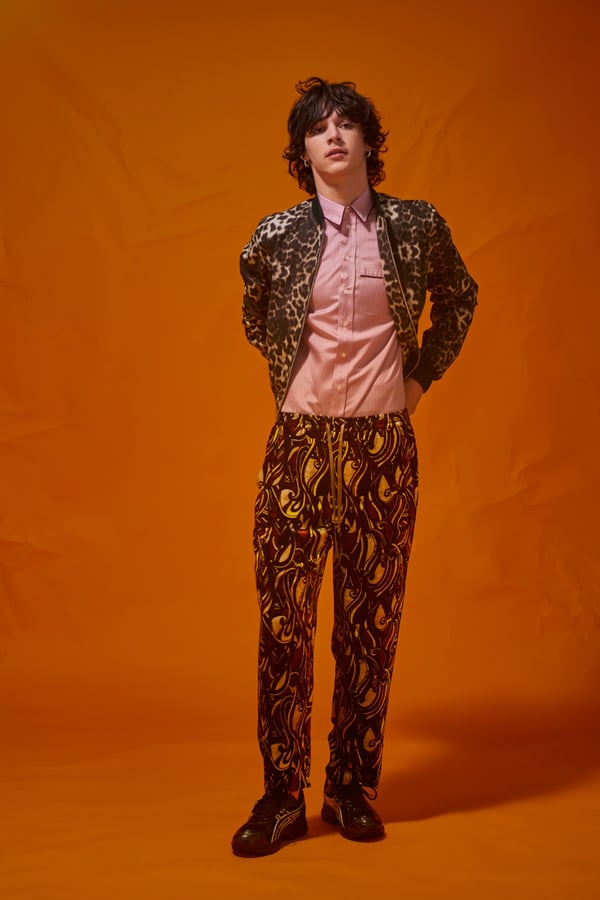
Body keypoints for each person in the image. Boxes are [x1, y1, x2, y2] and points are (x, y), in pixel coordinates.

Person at [231, 77, 477, 856]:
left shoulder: (414, 226)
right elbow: (256, 314)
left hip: (382, 450)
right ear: (302, 153)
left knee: (370, 625)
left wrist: (417, 381)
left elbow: (460, 299)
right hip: (299, 446)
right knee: (285, 624)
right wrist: (295, 382)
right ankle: (281, 795)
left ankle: (349, 789)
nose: (333, 135)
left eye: (346, 124)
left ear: (370, 141)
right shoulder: (276, 235)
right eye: (317, 128)